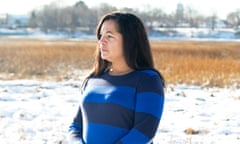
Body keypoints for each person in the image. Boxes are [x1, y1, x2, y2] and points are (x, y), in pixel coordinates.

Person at [69, 11, 165, 144]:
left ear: (129, 40)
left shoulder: (147, 80)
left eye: (109, 36)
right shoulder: (93, 79)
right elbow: (75, 126)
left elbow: (144, 131)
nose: (101, 41)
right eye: (100, 36)